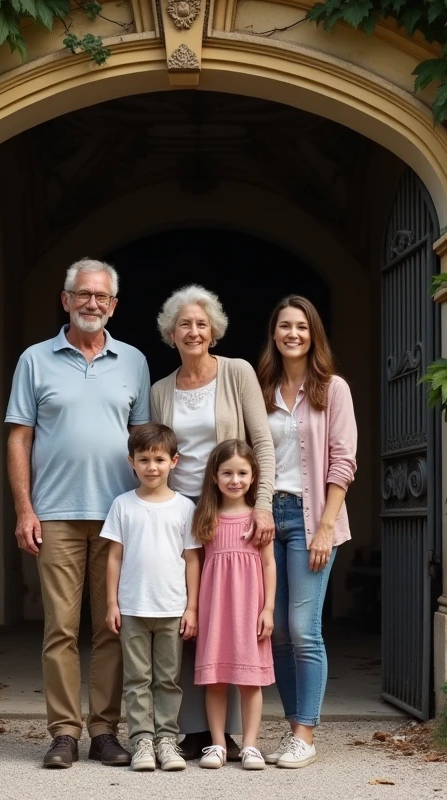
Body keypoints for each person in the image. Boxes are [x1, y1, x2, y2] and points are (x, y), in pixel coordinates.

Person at [5, 258, 151, 769]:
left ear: (114, 305)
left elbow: (144, 443)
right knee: (60, 630)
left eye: (102, 297)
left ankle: (106, 731)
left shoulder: (133, 360)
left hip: (117, 516)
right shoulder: (35, 359)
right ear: (65, 299)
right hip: (57, 514)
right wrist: (25, 509)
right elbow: (19, 437)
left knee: (112, 627)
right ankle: (64, 733)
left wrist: (148, 514)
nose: (92, 303)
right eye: (82, 294)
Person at [149, 284, 276, 760]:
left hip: (231, 510)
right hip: (180, 513)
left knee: (234, 615)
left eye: (202, 324)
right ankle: (190, 730)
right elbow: (156, 452)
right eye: (185, 324)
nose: (194, 331)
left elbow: (261, 444)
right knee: (185, 615)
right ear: (171, 333)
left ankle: (237, 738)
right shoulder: (161, 389)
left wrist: (261, 504)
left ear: (214, 331)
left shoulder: (237, 373)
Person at [255, 295, 357, 769]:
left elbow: (343, 462)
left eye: (301, 326)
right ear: (273, 334)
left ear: (313, 334)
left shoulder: (333, 389)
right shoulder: (263, 387)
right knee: (273, 632)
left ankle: (307, 734)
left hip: (312, 519)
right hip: (268, 519)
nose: (292, 334)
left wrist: (325, 527)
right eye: (284, 326)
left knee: (302, 629)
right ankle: (293, 727)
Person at [102, 423, 201, 772]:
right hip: (132, 607)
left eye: (159, 459)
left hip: (172, 609)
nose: (151, 467)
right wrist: (113, 603)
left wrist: (192, 607)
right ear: (131, 462)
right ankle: (142, 739)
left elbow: (192, 559)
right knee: (137, 678)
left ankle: (167, 740)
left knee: (168, 678)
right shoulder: (122, 505)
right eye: (143, 459)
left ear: (174, 461)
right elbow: (114, 556)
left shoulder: (185, 508)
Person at [191, 439, 276, 770]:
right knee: (215, 679)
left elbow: (269, 564)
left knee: (249, 679)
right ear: (215, 476)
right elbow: (195, 564)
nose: (235, 480)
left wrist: (268, 608)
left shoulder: (259, 519)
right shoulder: (206, 517)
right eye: (227, 472)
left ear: (253, 476)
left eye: (242, 473)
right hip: (216, 610)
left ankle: (251, 745)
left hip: (249, 611)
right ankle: (216, 744)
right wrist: (195, 609)